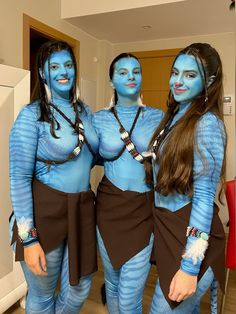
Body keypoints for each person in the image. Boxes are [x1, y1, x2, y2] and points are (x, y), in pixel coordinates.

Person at [9, 40, 99, 313]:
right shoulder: (30, 115)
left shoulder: (84, 111)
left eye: (69, 65)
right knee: (43, 295)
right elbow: (19, 179)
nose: (63, 72)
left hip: (82, 209)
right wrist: (30, 239)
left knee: (79, 289)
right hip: (45, 212)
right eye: (55, 66)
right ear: (43, 72)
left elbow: (94, 155)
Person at [146, 43, 227, 313]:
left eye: (190, 75)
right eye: (175, 72)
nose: (178, 81)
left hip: (191, 238)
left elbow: (204, 199)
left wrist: (190, 266)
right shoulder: (175, 114)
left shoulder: (208, 123)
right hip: (169, 230)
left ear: (210, 81)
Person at [93, 53, 164, 313]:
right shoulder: (98, 119)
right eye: (123, 72)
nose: (131, 76)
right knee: (111, 283)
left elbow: (169, 163)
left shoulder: (158, 117)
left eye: (136, 71)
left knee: (130, 294)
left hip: (142, 209)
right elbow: (84, 158)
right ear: (112, 80)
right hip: (109, 207)